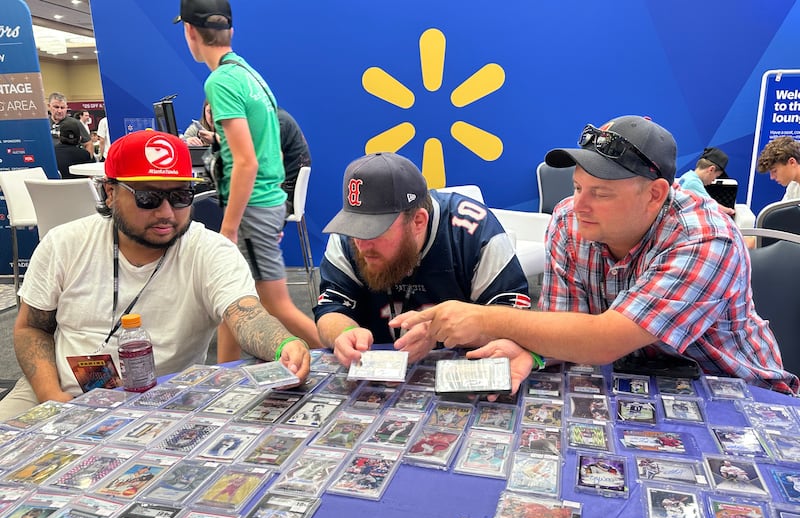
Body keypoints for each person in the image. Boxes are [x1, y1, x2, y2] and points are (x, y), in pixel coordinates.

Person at [392, 115, 799, 395]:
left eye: (600, 193)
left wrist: (485, 318)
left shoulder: (706, 238)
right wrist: (533, 352)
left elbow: (606, 339)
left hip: (734, 390)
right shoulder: (569, 221)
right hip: (626, 383)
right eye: (576, 187)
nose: (579, 205)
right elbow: (564, 325)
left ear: (655, 194)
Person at [1, 129, 310, 420]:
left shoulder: (211, 251)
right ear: (110, 193)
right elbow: (32, 328)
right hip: (55, 385)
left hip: (165, 397)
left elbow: (247, 316)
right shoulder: (65, 243)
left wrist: (283, 345)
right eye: (147, 198)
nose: (166, 213)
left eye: (180, 196)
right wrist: (52, 396)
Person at [175, 0, 321, 360]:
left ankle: (344, 359)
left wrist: (228, 228)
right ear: (230, 32)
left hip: (253, 207)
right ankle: (222, 377)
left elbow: (246, 162)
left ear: (190, 32)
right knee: (233, 298)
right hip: (265, 203)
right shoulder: (247, 73)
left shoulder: (220, 81)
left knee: (276, 304)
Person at [314, 151, 530, 366]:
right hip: (371, 370)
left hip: (461, 370)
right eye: (355, 227)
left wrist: (442, 332)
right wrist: (344, 332)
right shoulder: (345, 238)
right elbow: (331, 307)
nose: (361, 245)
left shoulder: (474, 233)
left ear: (418, 221)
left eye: (373, 231)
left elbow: (515, 321)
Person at [677, 146, 734, 216]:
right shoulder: (693, 183)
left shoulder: (688, 176)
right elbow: (712, 205)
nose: (714, 180)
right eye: (717, 176)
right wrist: (729, 210)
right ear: (711, 169)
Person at [277, 107, 311, 219]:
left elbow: (268, 170)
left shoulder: (277, 122)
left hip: (282, 200)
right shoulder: (277, 117)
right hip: (282, 195)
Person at [756, 136, 800, 201]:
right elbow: (784, 207)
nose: (772, 177)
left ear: (792, 162)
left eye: (774, 171)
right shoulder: (793, 186)